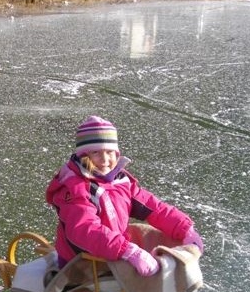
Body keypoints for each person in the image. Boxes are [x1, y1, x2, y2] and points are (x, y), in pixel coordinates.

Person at [45, 115, 203, 277]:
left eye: (110, 152)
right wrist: (127, 251)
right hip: (82, 261)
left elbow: (153, 207)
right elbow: (84, 229)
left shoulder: (120, 180)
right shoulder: (76, 188)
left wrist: (184, 229)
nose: (105, 159)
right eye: (96, 152)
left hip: (112, 250)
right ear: (84, 155)